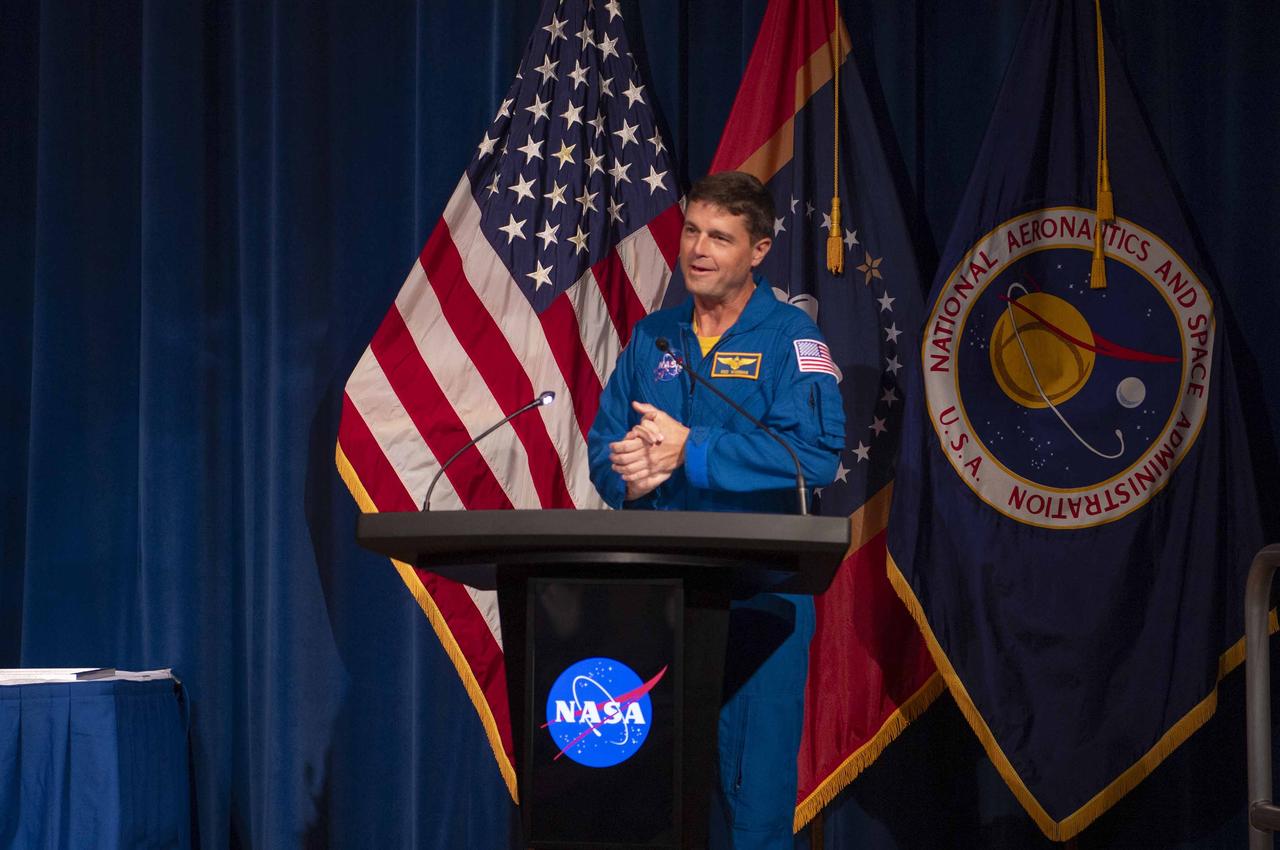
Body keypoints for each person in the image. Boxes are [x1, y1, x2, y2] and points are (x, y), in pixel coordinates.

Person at [586, 171, 845, 848]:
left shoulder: (791, 339)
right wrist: (629, 478)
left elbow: (814, 457)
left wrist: (691, 452)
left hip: (759, 599)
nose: (698, 249)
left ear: (758, 250)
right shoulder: (654, 337)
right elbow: (604, 445)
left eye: (721, 238)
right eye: (693, 231)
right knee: (649, 794)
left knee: (752, 804)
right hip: (658, 596)